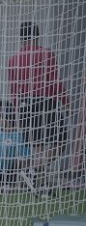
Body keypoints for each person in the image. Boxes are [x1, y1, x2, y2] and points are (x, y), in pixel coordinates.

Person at [8, 22, 68, 151]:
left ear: (21, 38)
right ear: (37, 36)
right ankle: (42, 164)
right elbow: (55, 82)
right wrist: (66, 102)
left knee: (36, 145)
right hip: (46, 104)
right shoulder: (47, 54)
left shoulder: (13, 59)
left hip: (26, 105)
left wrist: (17, 109)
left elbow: (13, 90)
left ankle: (37, 168)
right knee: (60, 141)